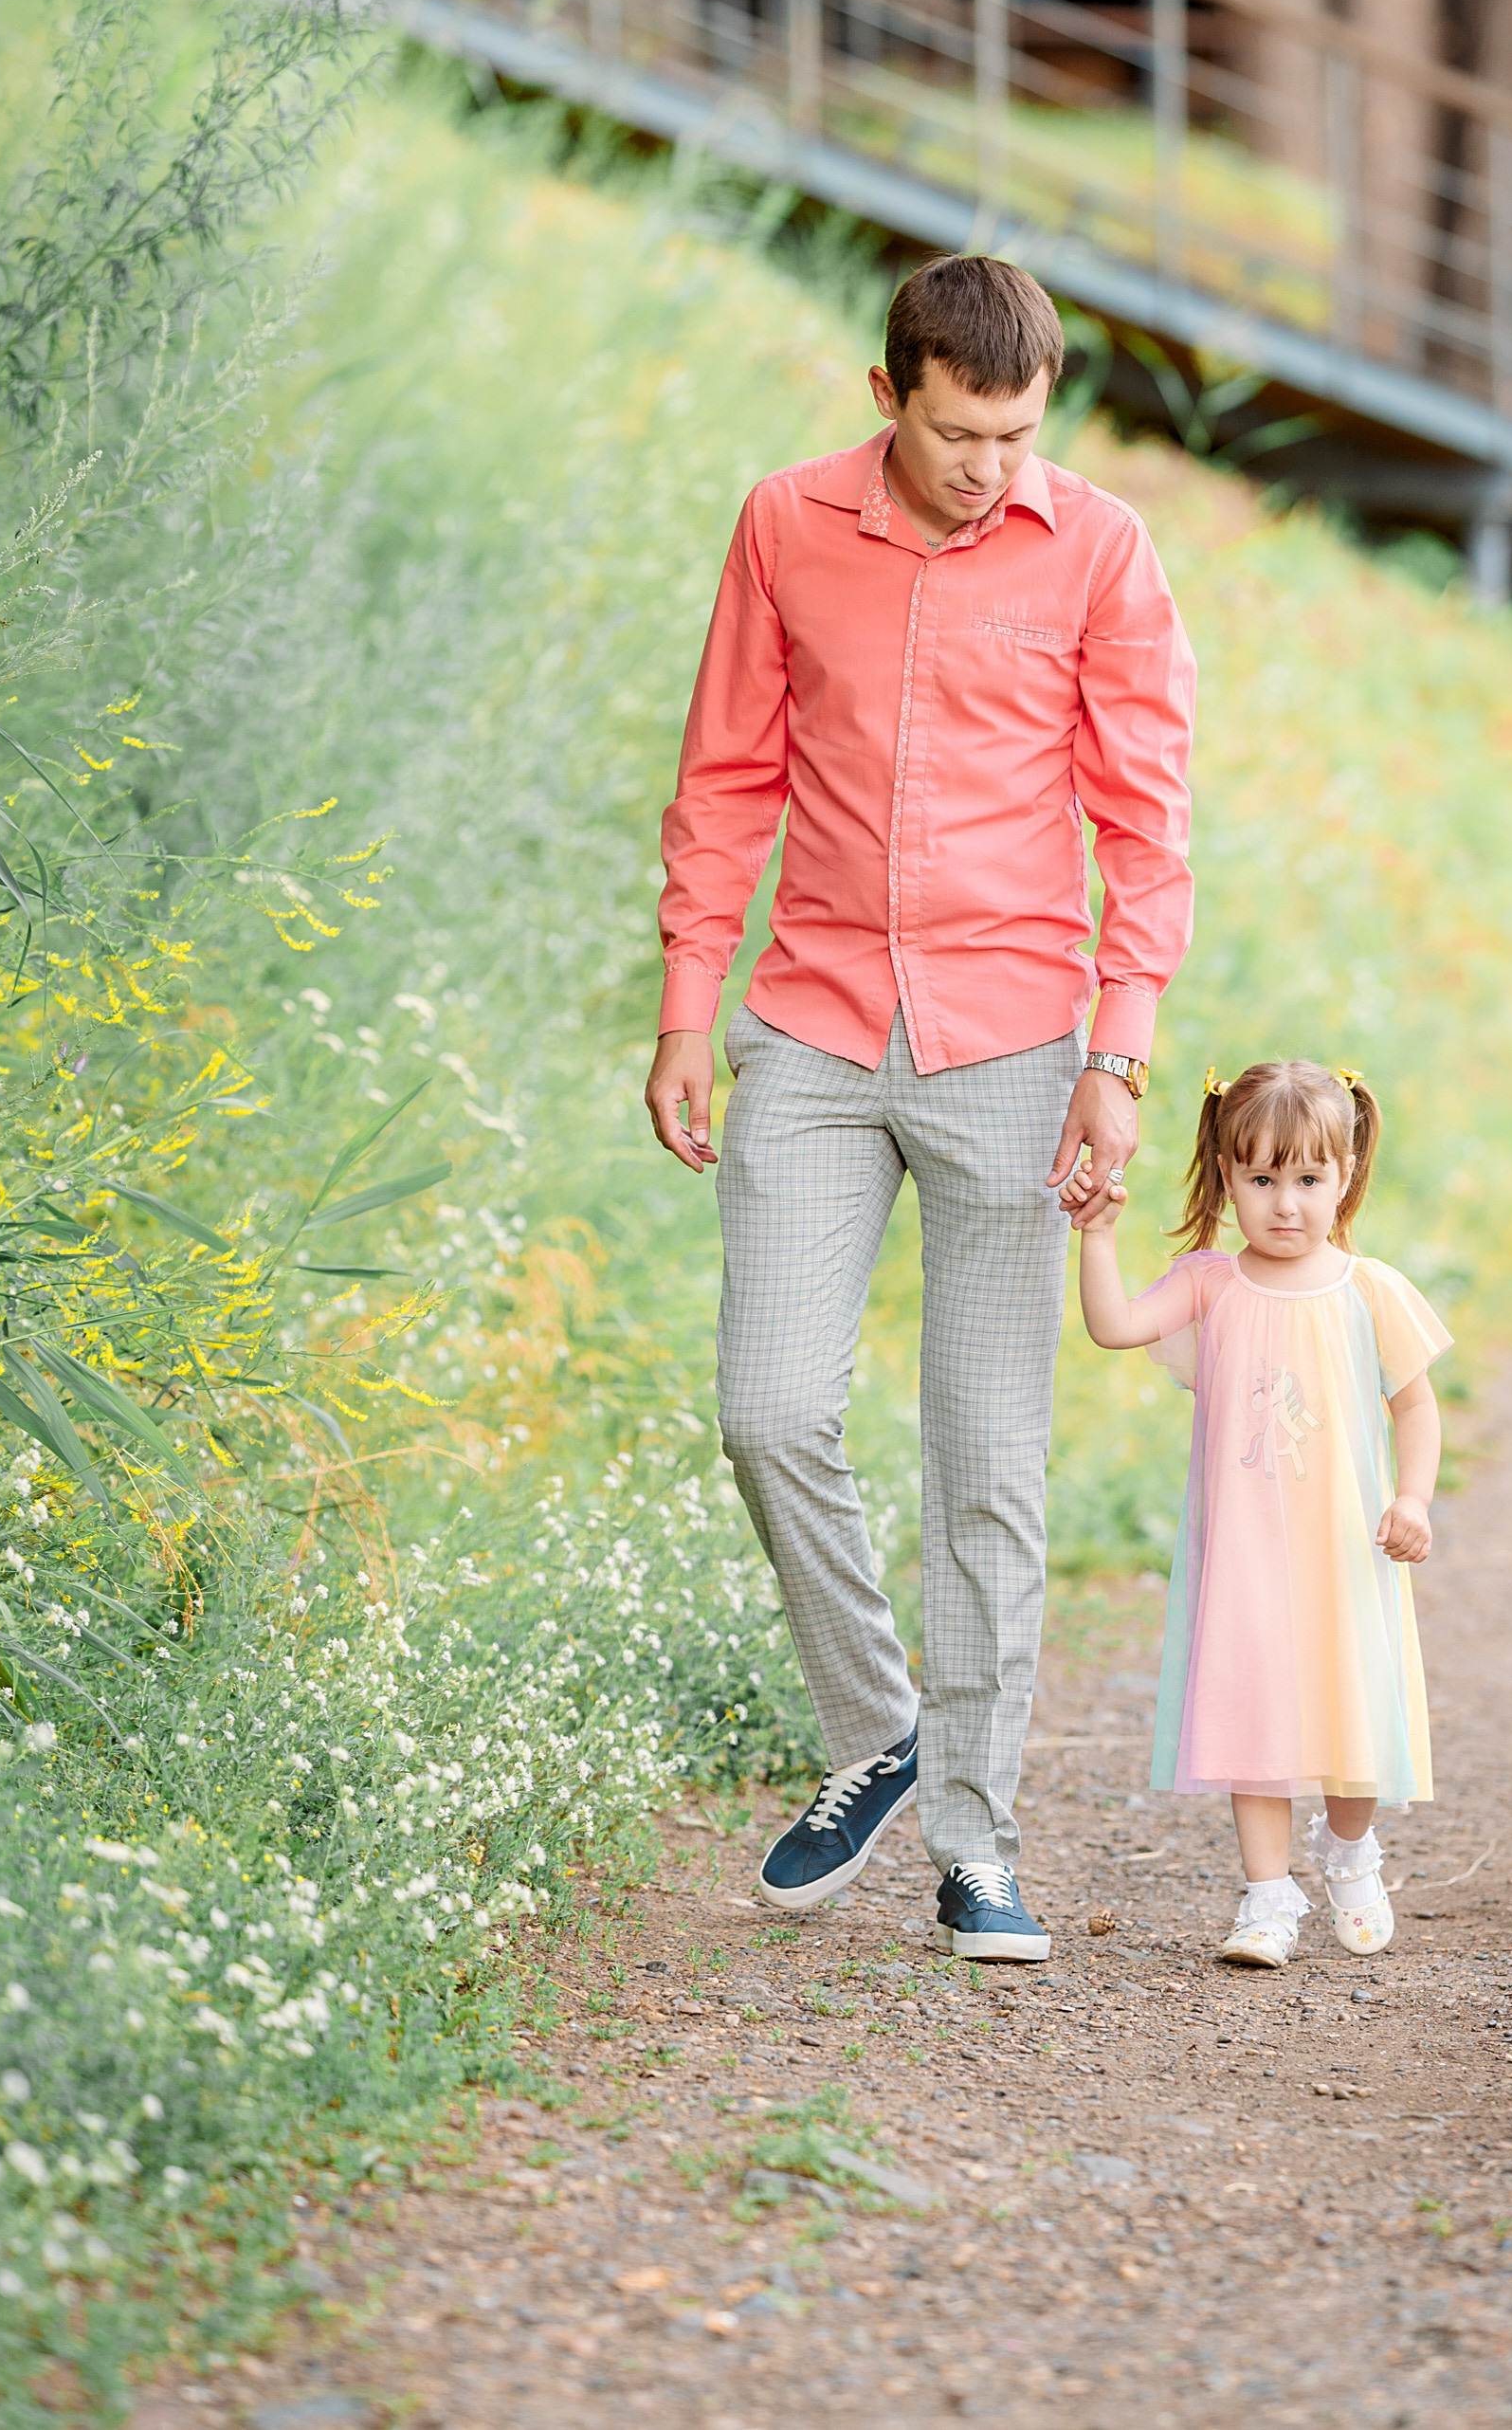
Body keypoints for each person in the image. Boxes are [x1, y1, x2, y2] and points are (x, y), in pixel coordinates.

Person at [645, 253, 1196, 1964]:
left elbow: (1146, 821)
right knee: (765, 1411)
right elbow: (723, 776)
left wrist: (1116, 1057)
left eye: (1017, 435)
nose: (989, 469)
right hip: (807, 1030)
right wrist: (683, 1010)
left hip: (1018, 1049)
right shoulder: (783, 524)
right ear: (887, 397)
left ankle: (975, 1847)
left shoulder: (1094, 545)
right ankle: (880, 1722)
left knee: (984, 1463)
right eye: (958, 435)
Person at [1075, 1058, 1448, 1969]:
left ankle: (1350, 1850)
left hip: (1344, 1550)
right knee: (1252, 1715)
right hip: (1242, 1554)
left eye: (1309, 1180)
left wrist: (1412, 1497)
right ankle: (1267, 1898)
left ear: (1347, 1173)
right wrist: (1095, 1238)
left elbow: (1417, 1405)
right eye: (1262, 1180)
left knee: (1349, 1712)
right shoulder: (1209, 1284)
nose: (1286, 1204)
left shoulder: (1369, 1291)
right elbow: (1115, 1325)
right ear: (1226, 1177)